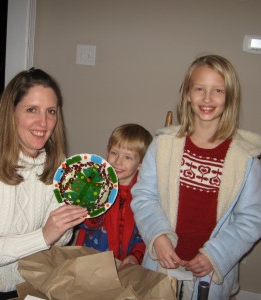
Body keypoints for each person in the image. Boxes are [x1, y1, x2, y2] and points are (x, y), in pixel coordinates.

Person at [130, 55, 261, 299]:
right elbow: (144, 195)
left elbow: (252, 219)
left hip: (209, 273)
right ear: (187, 94)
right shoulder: (163, 146)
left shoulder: (245, 159)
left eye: (218, 90)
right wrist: (158, 236)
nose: (207, 98)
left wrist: (217, 255)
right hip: (162, 264)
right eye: (199, 89)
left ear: (229, 97)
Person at [0, 68, 87, 299]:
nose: (44, 122)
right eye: (32, 110)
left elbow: (58, 240)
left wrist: (67, 220)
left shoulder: (56, 165)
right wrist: (42, 236)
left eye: (51, 111)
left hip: (32, 285)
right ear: (11, 113)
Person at [76, 123, 153, 268]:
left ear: (142, 163)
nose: (118, 161)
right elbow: (80, 222)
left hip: (125, 267)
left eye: (128, 157)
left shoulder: (144, 197)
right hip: (90, 262)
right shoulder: (95, 184)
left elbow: (144, 235)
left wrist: (135, 256)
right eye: (114, 153)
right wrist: (94, 210)